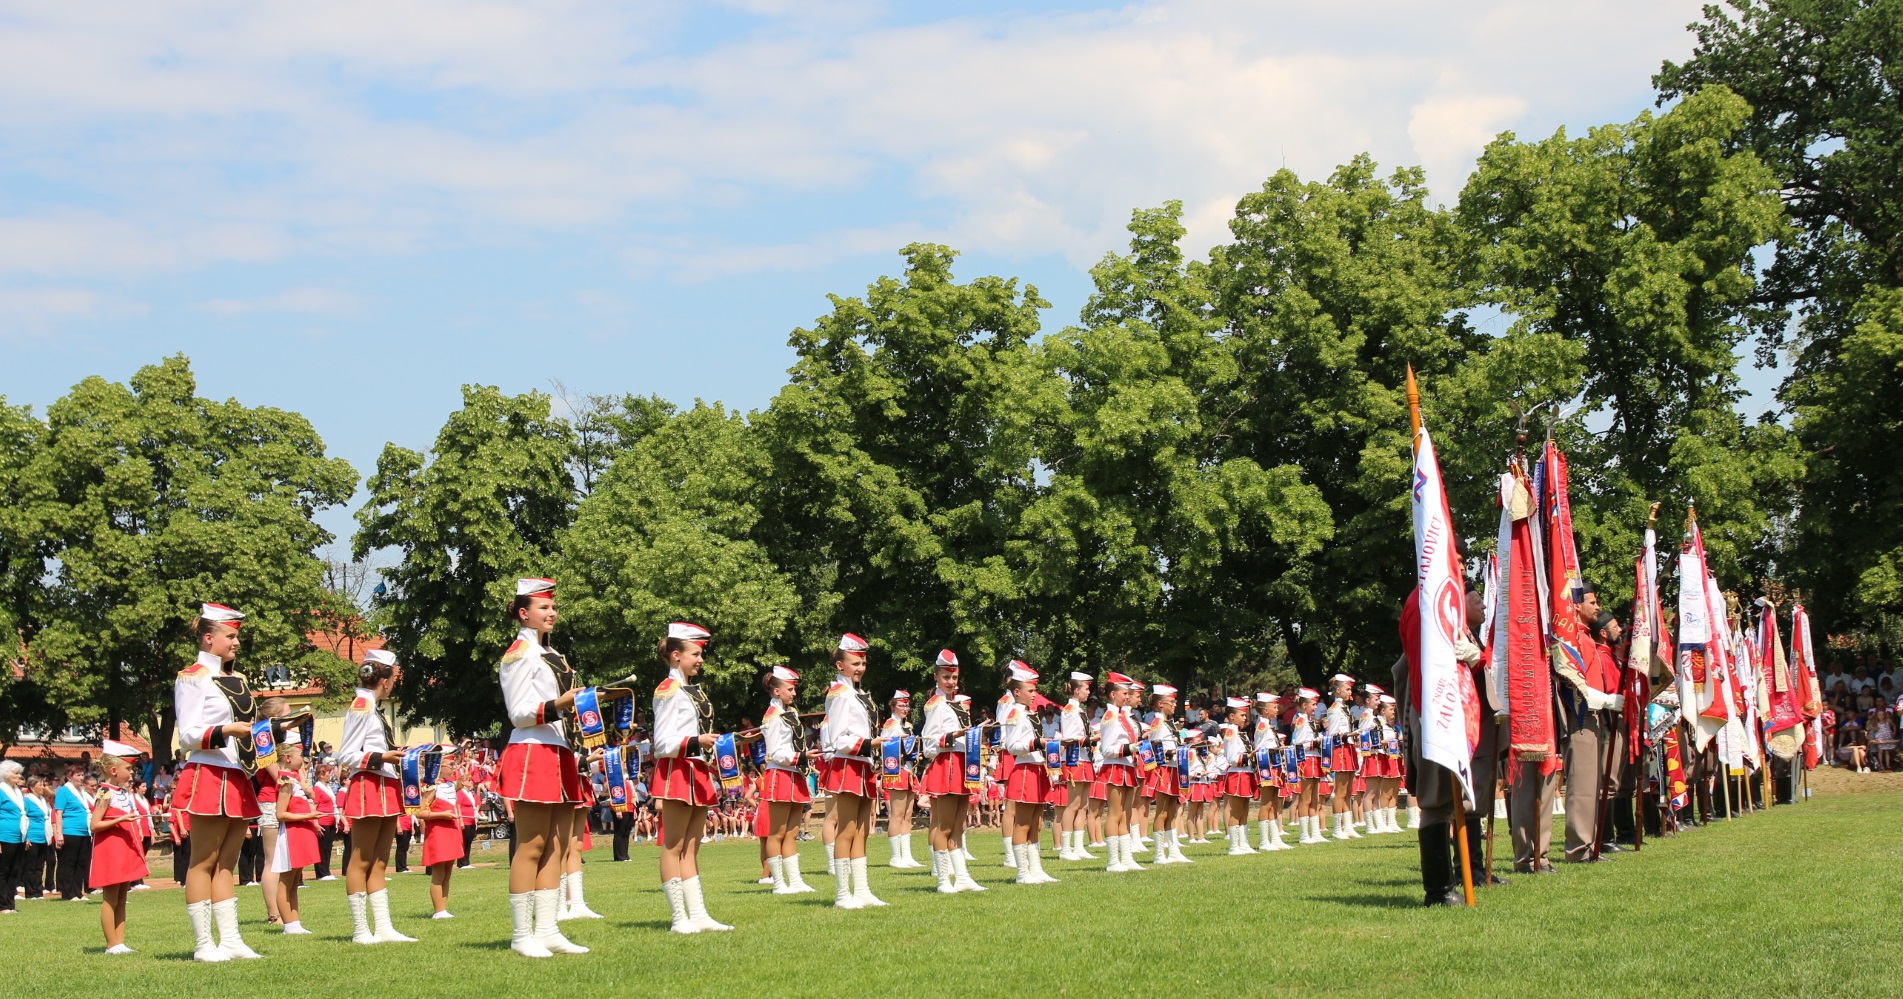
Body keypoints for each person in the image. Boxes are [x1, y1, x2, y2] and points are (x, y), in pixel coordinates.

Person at [498, 578, 601, 957]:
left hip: (559, 751)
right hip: (532, 751)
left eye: (553, 606)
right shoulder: (518, 653)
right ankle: (521, 934)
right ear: (524, 613)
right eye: (543, 607)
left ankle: (547, 929)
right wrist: (560, 704)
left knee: (557, 844)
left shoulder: (552, 653)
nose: (552, 612)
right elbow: (518, 713)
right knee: (532, 844)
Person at [174, 602, 264, 961]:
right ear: (209, 638)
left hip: (237, 773)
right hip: (209, 772)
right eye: (230, 636)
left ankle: (230, 939)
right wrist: (227, 730)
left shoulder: (238, 679)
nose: (236, 642)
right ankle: (203, 944)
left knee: (228, 861)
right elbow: (187, 734)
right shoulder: (192, 676)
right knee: (203, 860)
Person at [652, 620, 744, 932]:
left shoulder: (691, 689)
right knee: (673, 845)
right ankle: (679, 917)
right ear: (676, 655)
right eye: (695, 653)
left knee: (692, 846)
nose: (701, 659)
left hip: (696, 769)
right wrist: (697, 741)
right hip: (677, 769)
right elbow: (661, 743)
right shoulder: (667, 690)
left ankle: (699, 914)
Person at [338, 648, 418, 945]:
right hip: (368, 783)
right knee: (361, 858)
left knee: (381, 860)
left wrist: (397, 754)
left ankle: (383, 927)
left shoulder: (372, 706)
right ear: (385, 680)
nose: (394, 684)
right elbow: (346, 755)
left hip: (385, 782)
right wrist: (383, 757)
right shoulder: (361, 706)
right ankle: (361, 930)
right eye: (394, 678)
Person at [821, 632, 887, 909]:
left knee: (862, 830)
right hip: (848, 764)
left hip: (863, 764)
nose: (860, 667)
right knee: (846, 830)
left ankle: (862, 890)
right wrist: (871, 744)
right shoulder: (839, 693)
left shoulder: (858, 694)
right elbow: (839, 738)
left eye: (863, 663)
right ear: (841, 665)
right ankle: (842, 894)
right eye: (855, 663)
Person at [919, 651, 984, 893]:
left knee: (959, 825)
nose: (951, 682)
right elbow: (928, 744)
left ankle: (963, 877)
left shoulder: (958, 703)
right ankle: (943, 880)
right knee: (944, 825)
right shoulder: (935, 704)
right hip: (945, 765)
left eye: (954, 677)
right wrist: (953, 736)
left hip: (962, 764)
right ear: (936, 676)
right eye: (946, 677)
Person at [759, 665, 817, 895]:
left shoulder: (789, 712)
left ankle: (795, 880)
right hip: (780, 774)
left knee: (793, 831)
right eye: (790, 689)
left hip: (794, 773)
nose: (794, 693)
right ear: (777, 691)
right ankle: (778, 883)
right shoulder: (772, 716)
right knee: (777, 831)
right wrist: (802, 756)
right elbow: (774, 752)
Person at [998, 661, 1057, 883]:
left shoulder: (1029, 714)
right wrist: (1037, 743)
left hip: (1037, 767)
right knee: (1022, 822)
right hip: (1024, 769)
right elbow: (1012, 745)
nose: (1034, 695)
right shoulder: (1015, 713)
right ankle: (1022, 872)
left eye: (1034, 690)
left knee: (1036, 823)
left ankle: (1036, 869)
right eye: (1030, 690)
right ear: (1017, 692)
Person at [87, 743, 150, 953]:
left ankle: (120, 942)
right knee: (110, 899)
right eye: (128, 769)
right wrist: (120, 819)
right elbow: (95, 825)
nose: (132, 773)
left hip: (123, 849)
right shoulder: (105, 793)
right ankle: (111, 944)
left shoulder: (120, 792)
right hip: (111, 850)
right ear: (114, 771)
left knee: (122, 898)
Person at [1096, 671, 1145, 872]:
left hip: (1127, 766)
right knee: (1115, 814)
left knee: (1126, 814)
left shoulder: (1122, 716)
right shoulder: (1110, 717)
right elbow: (1106, 749)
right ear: (1113, 694)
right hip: (1115, 767)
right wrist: (1130, 748)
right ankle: (1112, 861)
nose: (1127, 696)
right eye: (1124, 693)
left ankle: (1126, 858)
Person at [270, 742, 319, 935]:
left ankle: (295, 921)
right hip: (291, 834)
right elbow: (281, 814)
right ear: (288, 758)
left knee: (295, 881)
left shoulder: (295, 779)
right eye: (300, 756)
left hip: (300, 831)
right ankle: (288, 924)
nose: (303, 760)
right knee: (286, 881)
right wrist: (308, 816)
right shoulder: (286, 781)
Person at [1141, 684, 1190, 864]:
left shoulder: (1169, 723)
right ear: (1161, 704)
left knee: (1172, 812)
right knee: (1161, 812)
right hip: (1164, 770)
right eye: (1171, 702)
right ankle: (1159, 853)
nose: (1175, 705)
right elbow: (1154, 749)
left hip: (1174, 768)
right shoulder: (1158, 722)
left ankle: (1174, 851)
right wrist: (1173, 752)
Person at [879, 690, 924, 869]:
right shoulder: (890, 724)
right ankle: (895, 856)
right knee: (896, 814)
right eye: (901, 705)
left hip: (908, 770)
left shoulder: (908, 725)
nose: (905, 708)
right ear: (893, 707)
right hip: (896, 770)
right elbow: (885, 745)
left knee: (907, 814)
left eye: (907, 705)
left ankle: (907, 855)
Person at [1055, 672, 1096, 860]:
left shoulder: (1078, 710)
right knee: (1072, 804)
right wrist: (1091, 739)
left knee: (1084, 805)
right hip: (1074, 759)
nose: (1088, 692)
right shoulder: (1069, 710)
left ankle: (1078, 847)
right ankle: (1065, 848)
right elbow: (1069, 738)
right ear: (1077, 690)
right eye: (1086, 688)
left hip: (1084, 758)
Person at [421, 769, 464, 919]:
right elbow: (419, 812)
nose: (453, 767)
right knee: (438, 873)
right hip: (438, 832)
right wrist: (442, 815)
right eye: (450, 764)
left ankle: (443, 909)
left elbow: (462, 781)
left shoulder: (450, 785)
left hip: (451, 830)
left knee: (447, 873)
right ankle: (438, 911)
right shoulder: (431, 786)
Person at [1250, 692, 1291, 850]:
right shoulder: (1262, 725)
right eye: (1274, 707)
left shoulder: (1268, 724)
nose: (1277, 709)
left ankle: (1275, 838)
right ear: (1266, 710)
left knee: (1274, 803)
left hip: (1274, 765)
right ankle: (1264, 841)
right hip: (1267, 766)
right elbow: (1260, 749)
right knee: (1266, 803)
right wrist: (1277, 749)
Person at [52, 764, 94, 901]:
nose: (81, 778)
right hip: (70, 831)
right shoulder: (64, 791)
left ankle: (78, 892)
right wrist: (59, 833)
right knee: (69, 862)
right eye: (78, 775)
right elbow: (58, 813)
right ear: (69, 777)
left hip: (84, 832)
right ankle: (68, 893)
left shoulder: (82, 791)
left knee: (81, 862)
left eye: (82, 775)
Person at [0, 760, 26, 915]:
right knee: (3, 871)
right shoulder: (1, 790)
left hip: (19, 836)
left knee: (14, 871)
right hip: (4, 835)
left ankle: (10, 904)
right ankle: (2, 905)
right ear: (6, 774)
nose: (18, 776)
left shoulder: (17, 791)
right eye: (15, 773)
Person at [22, 774, 52, 900]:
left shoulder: (43, 801)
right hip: (32, 836)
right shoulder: (27, 801)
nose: (43, 787)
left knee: (40, 866)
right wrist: (26, 837)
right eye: (40, 785)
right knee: (31, 866)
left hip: (43, 836)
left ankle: (39, 891)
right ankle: (30, 892)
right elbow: (24, 819)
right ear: (32, 787)